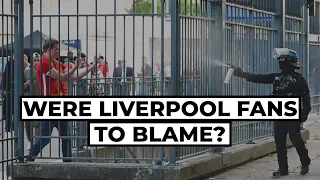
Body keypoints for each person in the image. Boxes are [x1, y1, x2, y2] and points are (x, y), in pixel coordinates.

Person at [232, 48, 311, 177]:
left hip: (292, 113)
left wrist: (304, 113)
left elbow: (306, 98)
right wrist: (242, 74)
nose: (280, 62)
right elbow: (259, 78)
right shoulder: (276, 77)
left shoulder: (299, 79)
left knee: (295, 138)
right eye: (279, 60)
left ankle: (305, 162)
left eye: (282, 60)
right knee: (279, 142)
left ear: (290, 61)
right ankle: (283, 169)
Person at [26, 38, 96, 162]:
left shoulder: (55, 62)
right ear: (48, 49)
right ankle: (30, 157)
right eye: (56, 49)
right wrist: (76, 66)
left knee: (66, 136)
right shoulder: (44, 62)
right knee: (46, 137)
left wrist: (90, 67)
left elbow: (75, 76)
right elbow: (63, 77)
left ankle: (67, 162)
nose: (58, 51)